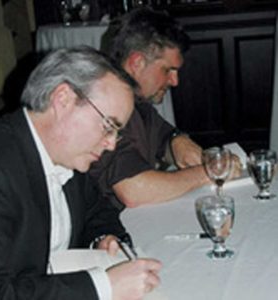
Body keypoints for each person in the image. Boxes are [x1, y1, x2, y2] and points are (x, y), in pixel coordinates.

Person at [0, 47, 162, 300]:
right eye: (109, 125)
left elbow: (99, 211)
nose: (111, 144)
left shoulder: (66, 153)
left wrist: (102, 239)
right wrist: (103, 286)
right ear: (63, 99)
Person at [89, 8, 241, 210]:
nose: (175, 81)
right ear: (137, 62)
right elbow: (133, 190)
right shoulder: (105, 105)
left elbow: (164, 136)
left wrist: (177, 140)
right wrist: (211, 172)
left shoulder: (138, 101)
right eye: (168, 70)